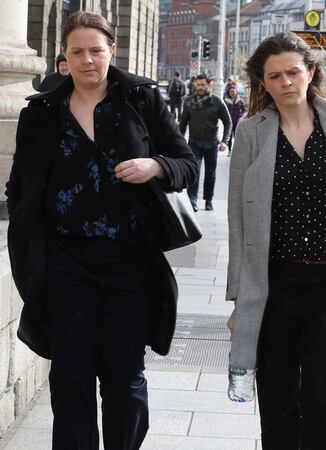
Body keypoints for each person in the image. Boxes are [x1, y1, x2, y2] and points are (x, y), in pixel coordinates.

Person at [6, 11, 198, 449]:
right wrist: (28, 241)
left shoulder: (141, 100)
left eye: (96, 50)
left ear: (112, 49)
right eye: (77, 51)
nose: (87, 59)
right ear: (64, 55)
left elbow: (186, 164)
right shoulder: (41, 111)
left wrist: (155, 165)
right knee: (70, 376)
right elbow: (19, 186)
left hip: (130, 261)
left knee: (123, 376)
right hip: (66, 263)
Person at [225, 31, 326, 449]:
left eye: (293, 72)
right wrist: (240, 300)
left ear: (311, 72)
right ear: (263, 82)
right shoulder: (251, 132)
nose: (286, 82)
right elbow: (238, 220)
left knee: (319, 399)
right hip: (275, 285)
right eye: (274, 76)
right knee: (276, 399)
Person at [179, 73, 231, 211]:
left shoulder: (217, 101)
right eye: (198, 85)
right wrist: (179, 142)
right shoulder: (189, 102)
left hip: (212, 143)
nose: (200, 87)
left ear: (209, 85)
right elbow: (182, 124)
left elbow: (228, 122)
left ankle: (208, 200)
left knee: (210, 174)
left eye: (203, 85)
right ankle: (192, 199)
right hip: (194, 143)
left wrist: (224, 141)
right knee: (194, 170)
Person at [223, 85, 246, 154]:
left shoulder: (240, 100)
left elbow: (244, 110)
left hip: (238, 122)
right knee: (229, 137)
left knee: (237, 136)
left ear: (236, 92)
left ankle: (236, 150)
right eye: (231, 91)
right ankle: (229, 150)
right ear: (229, 93)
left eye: (234, 91)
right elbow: (223, 111)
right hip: (229, 122)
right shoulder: (226, 101)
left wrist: (241, 117)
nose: (232, 93)